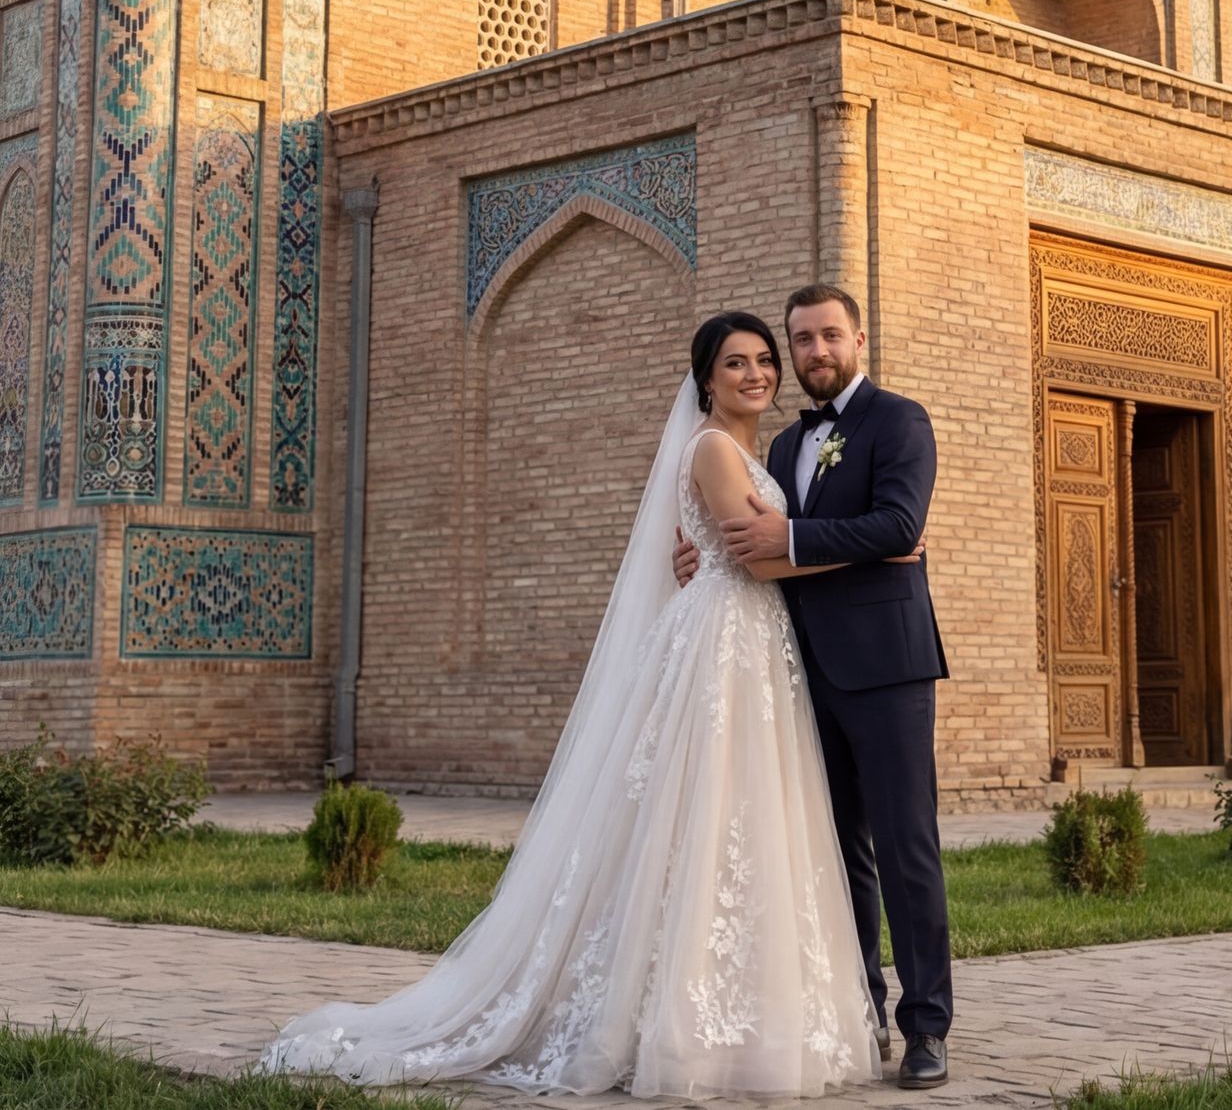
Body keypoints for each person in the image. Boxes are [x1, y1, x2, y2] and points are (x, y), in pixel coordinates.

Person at [260, 312, 885, 1098]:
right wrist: (877, 546)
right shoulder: (715, 447)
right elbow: (750, 555)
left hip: (752, 645)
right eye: (736, 362)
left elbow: (746, 545)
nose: (756, 373)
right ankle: (675, 1019)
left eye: (765, 359)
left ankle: (743, 1013)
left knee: (742, 819)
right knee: (704, 815)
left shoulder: (761, 451)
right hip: (723, 645)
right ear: (705, 378)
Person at [682, 283, 952, 1087]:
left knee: (906, 847)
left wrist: (790, 535)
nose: (813, 353)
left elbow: (899, 523)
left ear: (859, 339)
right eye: (800, 341)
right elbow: (752, 542)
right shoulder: (777, 449)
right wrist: (698, 555)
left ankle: (926, 1026)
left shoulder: (899, 421)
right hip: (797, 668)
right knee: (834, 853)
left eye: (827, 336)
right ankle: (858, 1010)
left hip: (887, 665)